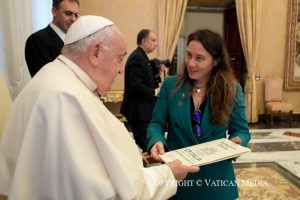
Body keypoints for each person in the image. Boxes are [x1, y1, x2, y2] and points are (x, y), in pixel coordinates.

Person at [0, 15, 200, 200]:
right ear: (95, 52)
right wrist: (167, 175)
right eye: (119, 58)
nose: (121, 69)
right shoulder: (66, 98)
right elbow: (110, 193)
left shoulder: (52, 77)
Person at [147, 29, 251, 200]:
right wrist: (156, 139)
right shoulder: (171, 86)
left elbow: (241, 131)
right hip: (179, 179)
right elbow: (156, 124)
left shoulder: (232, 89)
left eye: (200, 58)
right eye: (188, 55)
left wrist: (237, 142)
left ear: (216, 61)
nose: (191, 63)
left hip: (217, 181)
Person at [120, 29, 159, 152]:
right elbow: (135, 86)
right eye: (153, 40)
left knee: (147, 144)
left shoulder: (142, 56)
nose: (156, 43)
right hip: (139, 111)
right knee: (147, 146)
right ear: (143, 41)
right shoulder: (137, 58)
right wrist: (155, 92)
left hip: (142, 110)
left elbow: (146, 78)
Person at [25, 0, 80, 77]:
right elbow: (44, 78)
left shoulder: (78, 39)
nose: (73, 19)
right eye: (68, 13)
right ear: (54, 11)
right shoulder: (37, 40)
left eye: (76, 15)